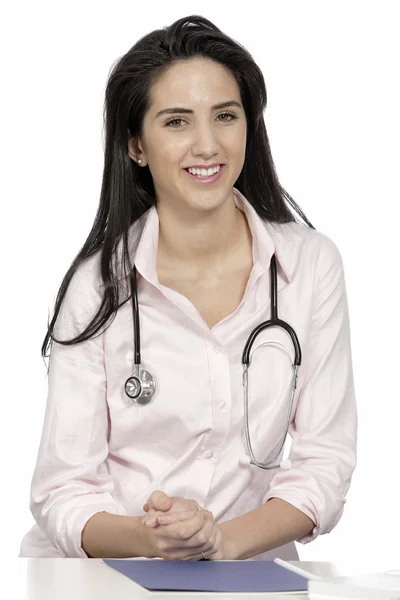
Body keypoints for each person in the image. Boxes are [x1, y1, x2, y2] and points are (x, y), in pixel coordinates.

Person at [19, 14, 357, 562]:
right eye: (177, 122)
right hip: (105, 576)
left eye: (225, 116)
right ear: (136, 146)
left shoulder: (311, 266)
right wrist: (152, 538)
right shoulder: (96, 286)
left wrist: (222, 541)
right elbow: (62, 490)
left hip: (247, 572)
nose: (207, 145)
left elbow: (324, 463)